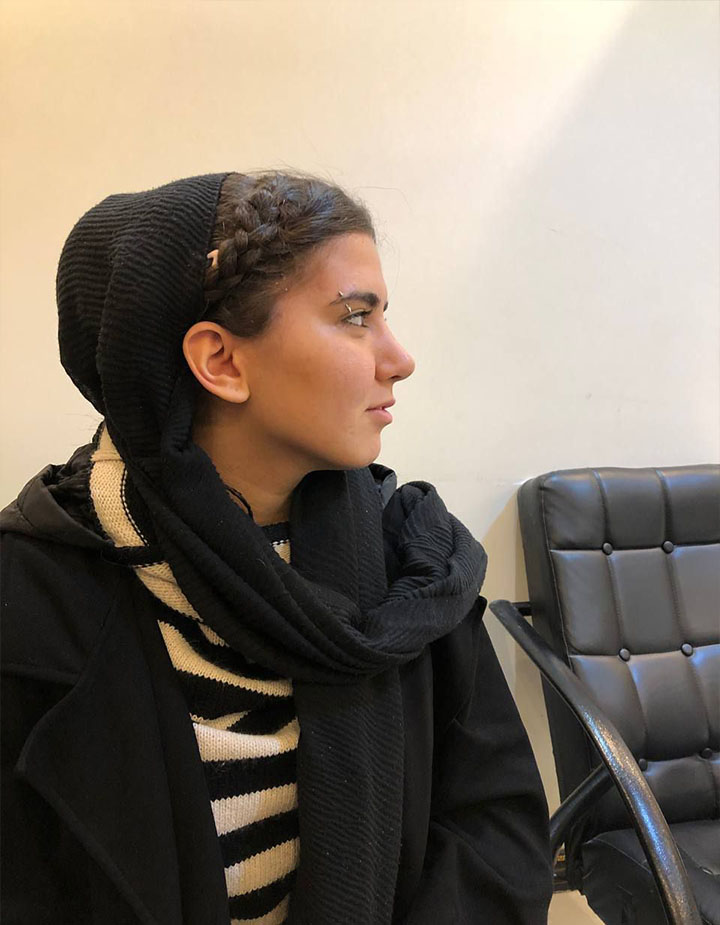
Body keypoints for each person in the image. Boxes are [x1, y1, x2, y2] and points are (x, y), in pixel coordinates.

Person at [0, 170, 553, 924]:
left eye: (384, 316)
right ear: (222, 362)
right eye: (355, 317)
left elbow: (496, 832)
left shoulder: (415, 566)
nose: (400, 358)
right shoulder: (33, 595)